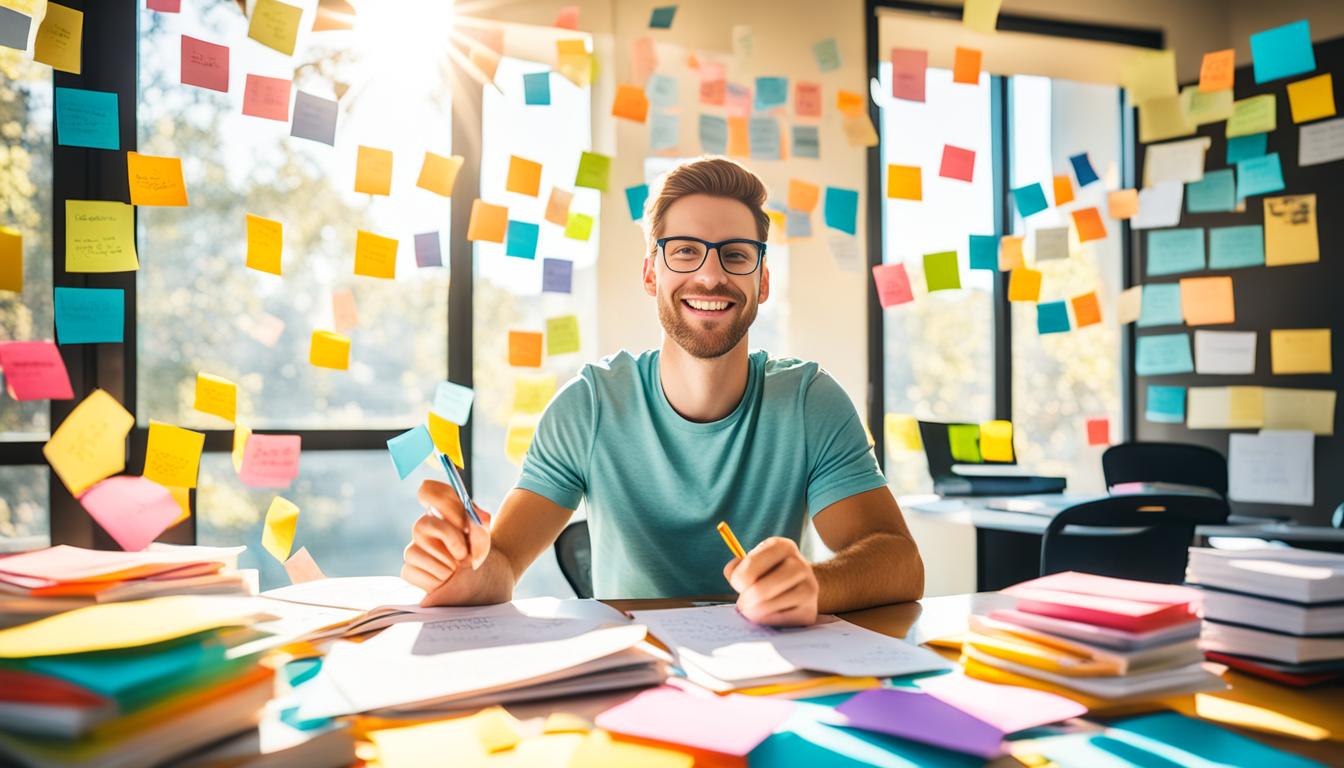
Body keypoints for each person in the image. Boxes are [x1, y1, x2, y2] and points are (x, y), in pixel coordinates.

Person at [402, 157, 923, 626]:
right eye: (686, 251)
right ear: (652, 272)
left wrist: (817, 585)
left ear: (763, 280)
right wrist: (462, 570)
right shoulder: (588, 406)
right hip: (630, 678)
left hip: (771, 677)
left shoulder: (810, 401)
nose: (711, 274)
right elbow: (502, 565)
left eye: (736, 255)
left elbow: (900, 562)